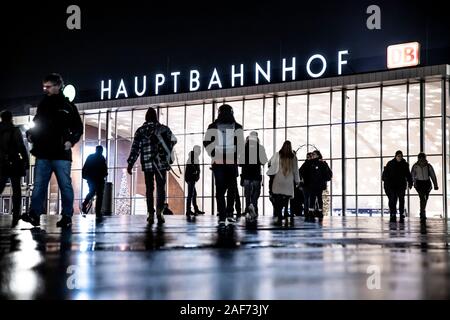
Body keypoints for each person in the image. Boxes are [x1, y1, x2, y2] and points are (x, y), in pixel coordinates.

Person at [21, 73, 83, 228]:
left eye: (48, 86)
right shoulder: (43, 105)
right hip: (43, 152)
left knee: (64, 186)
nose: (45, 89)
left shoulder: (68, 107)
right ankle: (34, 214)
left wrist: (71, 141)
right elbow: (37, 123)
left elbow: (78, 127)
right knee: (39, 186)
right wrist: (30, 134)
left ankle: (67, 216)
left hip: (61, 153)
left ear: (57, 86)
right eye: (44, 86)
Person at [127, 107, 177, 225]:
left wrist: (130, 163)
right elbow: (174, 141)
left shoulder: (140, 131)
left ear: (146, 117)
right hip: (161, 164)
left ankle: (150, 213)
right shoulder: (164, 129)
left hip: (147, 164)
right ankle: (160, 212)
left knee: (149, 189)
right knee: (161, 188)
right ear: (156, 117)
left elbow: (135, 149)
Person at [203, 104, 244, 227]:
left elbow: (206, 142)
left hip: (218, 162)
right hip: (231, 162)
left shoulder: (212, 126)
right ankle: (230, 213)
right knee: (232, 189)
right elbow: (241, 145)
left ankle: (222, 215)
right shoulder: (237, 127)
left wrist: (214, 154)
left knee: (220, 190)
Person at [0, 110, 29, 226]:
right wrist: (26, 160)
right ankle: (16, 214)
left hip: (1, 163)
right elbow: (21, 147)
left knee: (0, 186)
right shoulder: (15, 130)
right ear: (11, 118)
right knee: (16, 189)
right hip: (14, 162)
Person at [267, 141, 300, 225]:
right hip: (288, 180)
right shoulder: (293, 157)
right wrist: (297, 180)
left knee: (278, 197)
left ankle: (279, 213)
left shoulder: (277, 155)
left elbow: (270, 163)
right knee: (286, 197)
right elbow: (296, 170)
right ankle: (285, 211)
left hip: (278, 179)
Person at [240, 131, 268, 222]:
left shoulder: (244, 148)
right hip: (256, 174)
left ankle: (248, 211)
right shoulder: (260, 148)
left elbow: (240, 163)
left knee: (247, 194)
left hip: (246, 175)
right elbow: (264, 161)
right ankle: (253, 204)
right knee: (257, 191)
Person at [301, 150, 332, 222]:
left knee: (314, 198)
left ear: (318, 155)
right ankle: (318, 212)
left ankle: (313, 212)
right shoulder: (320, 163)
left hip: (314, 184)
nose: (312, 155)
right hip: (317, 184)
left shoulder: (315, 163)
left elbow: (302, 170)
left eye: (314, 154)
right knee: (317, 198)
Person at [382, 150, 413, 222]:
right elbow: (385, 174)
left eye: (401, 156)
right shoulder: (391, 164)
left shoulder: (404, 164)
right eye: (399, 156)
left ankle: (400, 213)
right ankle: (393, 213)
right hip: (393, 185)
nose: (400, 157)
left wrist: (410, 182)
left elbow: (408, 174)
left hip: (400, 185)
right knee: (393, 200)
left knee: (400, 199)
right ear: (395, 156)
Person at [411, 152, 438, 221]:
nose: (422, 160)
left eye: (423, 158)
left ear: (425, 158)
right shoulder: (415, 166)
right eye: (420, 158)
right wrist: (412, 183)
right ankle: (422, 212)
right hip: (419, 183)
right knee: (422, 198)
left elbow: (433, 175)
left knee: (426, 198)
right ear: (418, 158)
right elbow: (412, 175)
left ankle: (422, 210)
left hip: (427, 183)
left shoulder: (428, 166)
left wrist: (435, 184)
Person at [81, 145, 108, 216]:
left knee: (92, 192)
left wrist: (85, 176)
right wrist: (104, 174)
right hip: (99, 179)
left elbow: (85, 167)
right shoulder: (102, 158)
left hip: (91, 179)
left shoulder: (90, 157)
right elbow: (104, 169)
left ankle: (85, 204)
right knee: (100, 195)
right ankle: (98, 211)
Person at [185, 145, 205, 217]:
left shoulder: (193, 157)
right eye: (199, 150)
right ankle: (188, 210)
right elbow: (193, 168)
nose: (200, 151)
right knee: (190, 194)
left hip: (191, 178)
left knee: (193, 194)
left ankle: (194, 209)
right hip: (191, 179)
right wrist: (196, 173)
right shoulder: (193, 158)